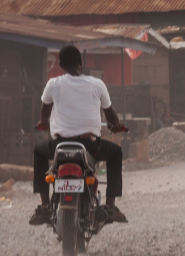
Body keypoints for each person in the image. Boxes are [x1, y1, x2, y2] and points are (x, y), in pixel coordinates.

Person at [31, 45, 129, 225]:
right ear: (80, 63)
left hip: (59, 146)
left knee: (38, 151)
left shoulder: (53, 84)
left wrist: (43, 124)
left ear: (60, 65)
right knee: (116, 153)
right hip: (90, 145)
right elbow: (110, 114)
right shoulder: (97, 84)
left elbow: (44, 112)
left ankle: (44, 205)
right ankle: (110, 206)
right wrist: (116, 126)